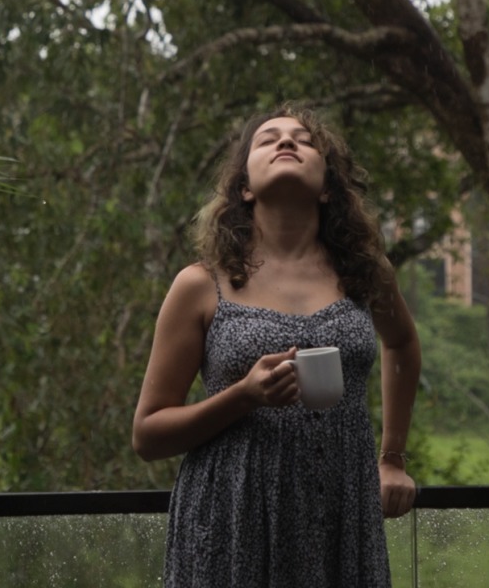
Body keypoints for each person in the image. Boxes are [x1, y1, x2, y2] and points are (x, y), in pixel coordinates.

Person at [132, 106, 421, 587]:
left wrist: (391, 459)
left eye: (304, 140)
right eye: (267, 139)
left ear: (327, 186)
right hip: (231, 518)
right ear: (244, 186)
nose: (286, 143)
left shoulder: (365, 274)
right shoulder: (201, 284)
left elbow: (404, 345)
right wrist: (243, 396)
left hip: (340, 514)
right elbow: (147, 434)